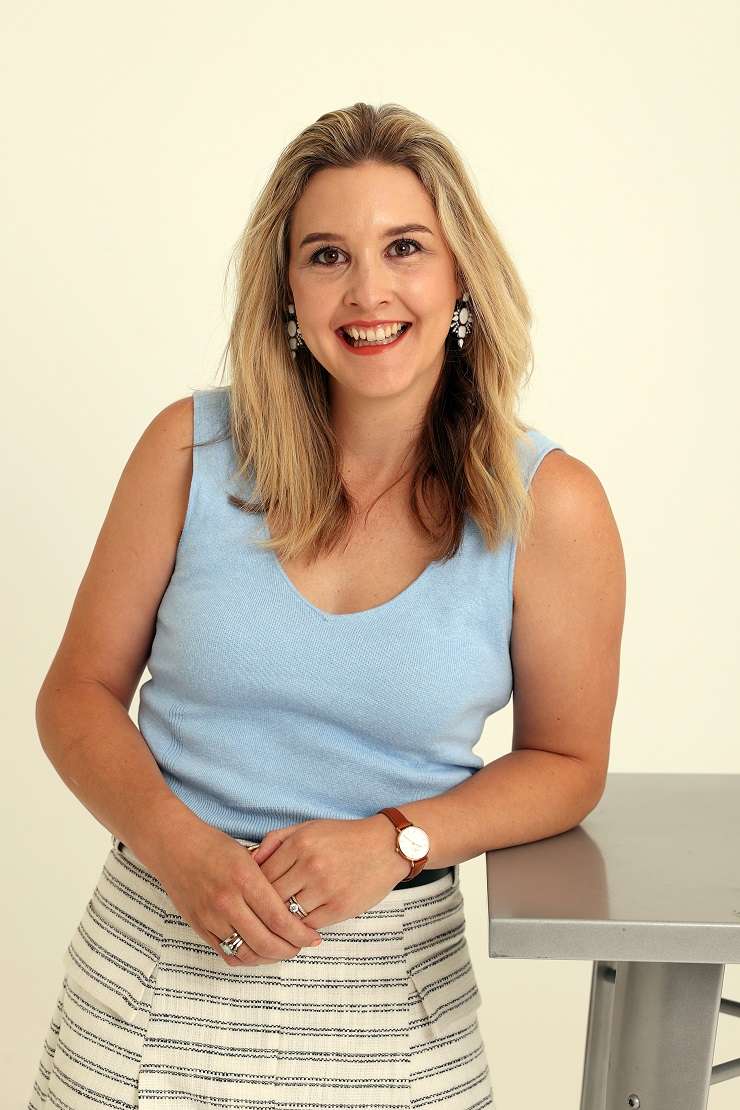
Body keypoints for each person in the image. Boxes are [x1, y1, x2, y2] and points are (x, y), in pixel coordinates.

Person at [28, 101, 625, 1109]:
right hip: (148, 977)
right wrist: (181, 851)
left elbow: (565, 766)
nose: (368, 290)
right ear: (286, 294)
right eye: (325, 255)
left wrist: (395, 839)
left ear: (457, 276)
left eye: (403, 247)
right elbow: (75, 694)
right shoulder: (188, 449)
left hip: (390, 998)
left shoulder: (548, 505)